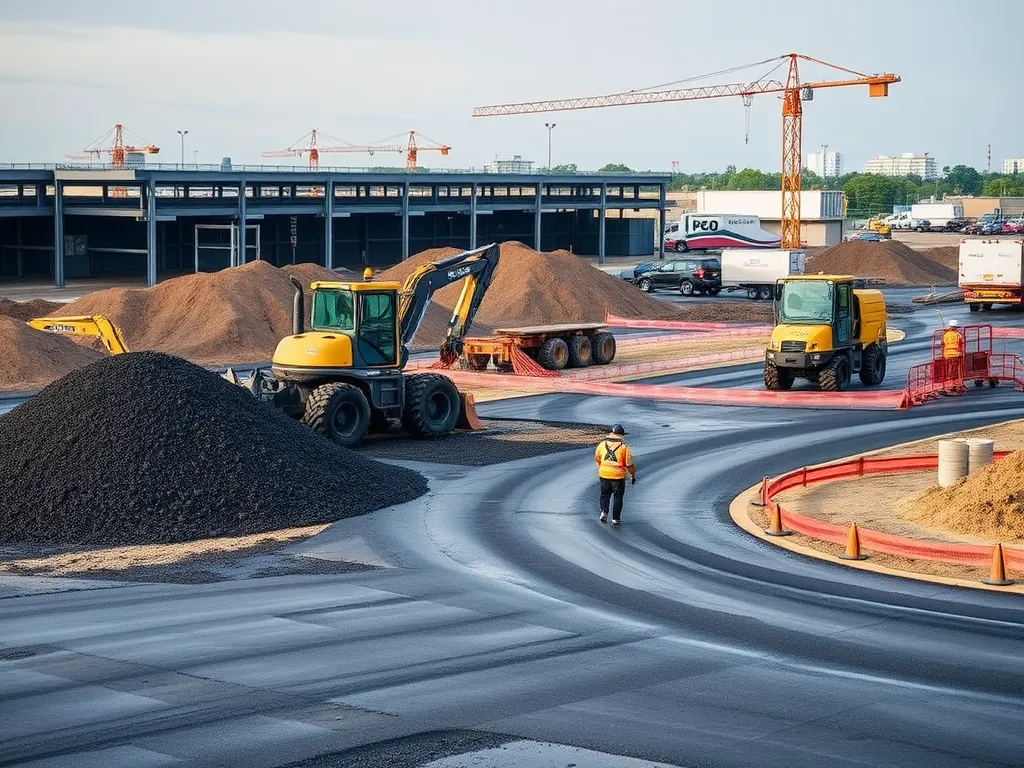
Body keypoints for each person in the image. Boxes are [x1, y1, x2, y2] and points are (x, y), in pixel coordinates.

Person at [594, 424, 636, 525]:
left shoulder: (602, 444)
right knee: (618, 497)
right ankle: (615, 518)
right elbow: (629, 464)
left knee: (605, 495)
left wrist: (601, 467)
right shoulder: (624, 447)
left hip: (604, 474)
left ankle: (604, 511)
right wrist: (632, 476)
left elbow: (597, 457)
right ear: (621, 435)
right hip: (618, 476)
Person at [942, 319, 965, 395]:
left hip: (946, 355)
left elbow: (942, 343)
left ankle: (950, 384)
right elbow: (962, 343)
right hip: (955, 355)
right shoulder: (958, 335)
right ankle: (953, 386)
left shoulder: (945, 334)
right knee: (955, 371)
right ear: (956, 327)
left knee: (948, 370)